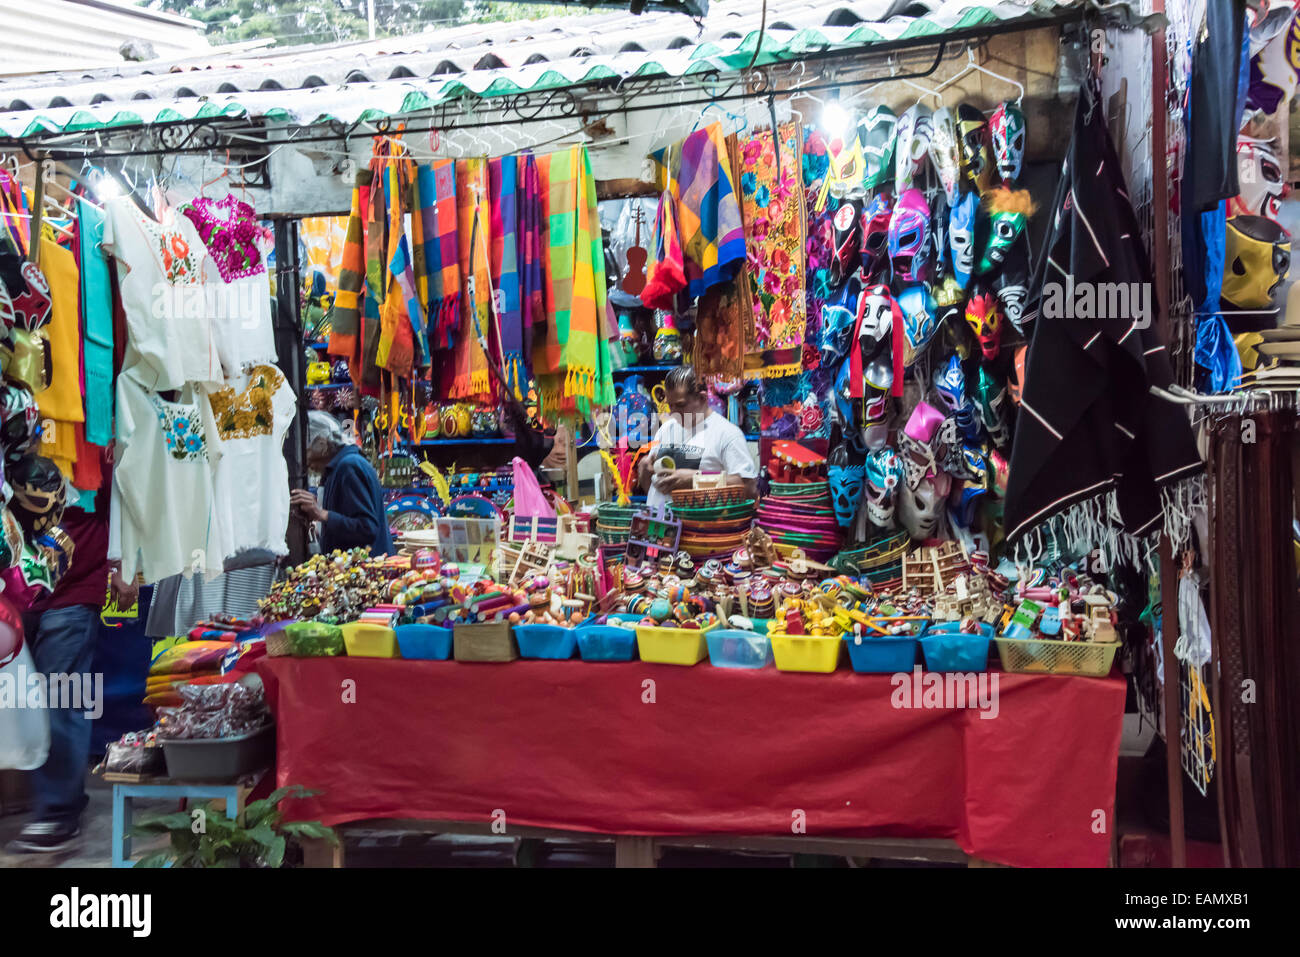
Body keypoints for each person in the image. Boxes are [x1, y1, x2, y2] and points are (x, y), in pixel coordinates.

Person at [7, 484, 138, 854]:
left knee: (63, 697)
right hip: (12, 587)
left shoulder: (87, 429)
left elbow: (123, 493)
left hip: (74, 586)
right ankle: (54, 798)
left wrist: (123, 565)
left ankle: (57, 812)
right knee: (14, 698)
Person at [637, 365, 758, 510]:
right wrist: (645, 471)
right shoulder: (666, 429)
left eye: (680, 405)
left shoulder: (727, 433)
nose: (673, 412)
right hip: (659, 528)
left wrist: (696, 479)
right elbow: (653, 490)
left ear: (702, 398)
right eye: (670, 405)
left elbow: (748, 487)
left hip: (700, 530)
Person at [290, 411, 394, 556]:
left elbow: (367, 528)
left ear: (321, 444)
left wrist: (321, 514)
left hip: (366, 569)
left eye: (306, 452)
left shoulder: (349, 466)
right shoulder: (339, 468)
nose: (305, 463)